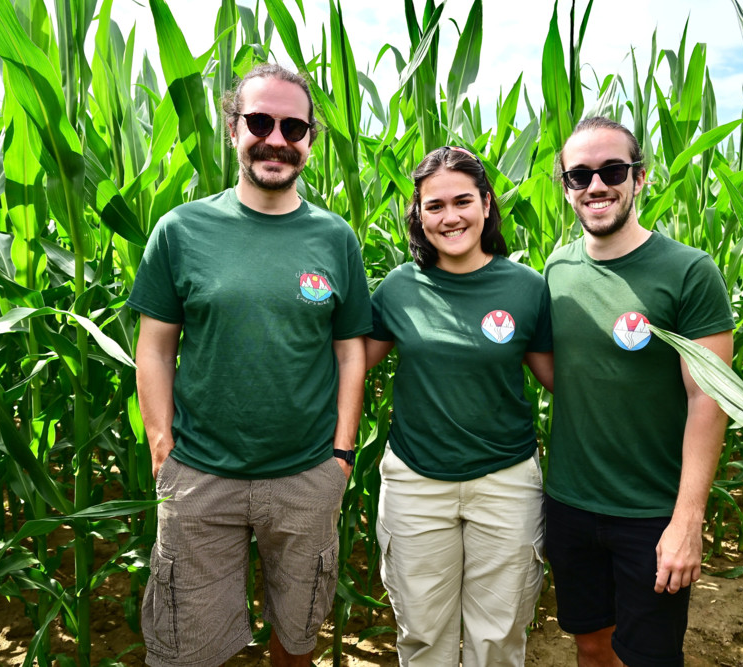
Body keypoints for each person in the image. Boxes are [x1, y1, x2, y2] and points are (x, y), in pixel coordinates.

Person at [127, 64, 371, 667]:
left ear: (310, 140)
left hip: (307, 475)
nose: (276, 139)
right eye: (260, 122)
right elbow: (154, 347)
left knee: (297, 638)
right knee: (186, 649)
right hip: (200, 476)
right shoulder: (181, 230)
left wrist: (342, 454)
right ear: (233, 129)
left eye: (294, 127)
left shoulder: (336, 238)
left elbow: (349, 351)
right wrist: (162, 447)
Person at [543, 117, 735, 667]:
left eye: (612, 171)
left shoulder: (689, 271)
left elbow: (708, 400)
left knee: (648, 657)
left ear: (640, 177)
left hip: (652, 511)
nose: (596, 185)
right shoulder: (557, 268)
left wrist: (687, 522)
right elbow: (568, 373)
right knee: (590, 644)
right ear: (565, 186)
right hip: (571, 503)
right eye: (579, 175)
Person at [365, 146, 553, 666]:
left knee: (499, 638)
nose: (450, 217)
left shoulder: (527, 288)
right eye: (435, 206)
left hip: (506, 480)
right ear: (419, 215)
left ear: (487, 204)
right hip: (416, 482)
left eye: (463, 201)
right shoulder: (399, 288)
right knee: (423, 634)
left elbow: (560, 378)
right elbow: (351, 365)